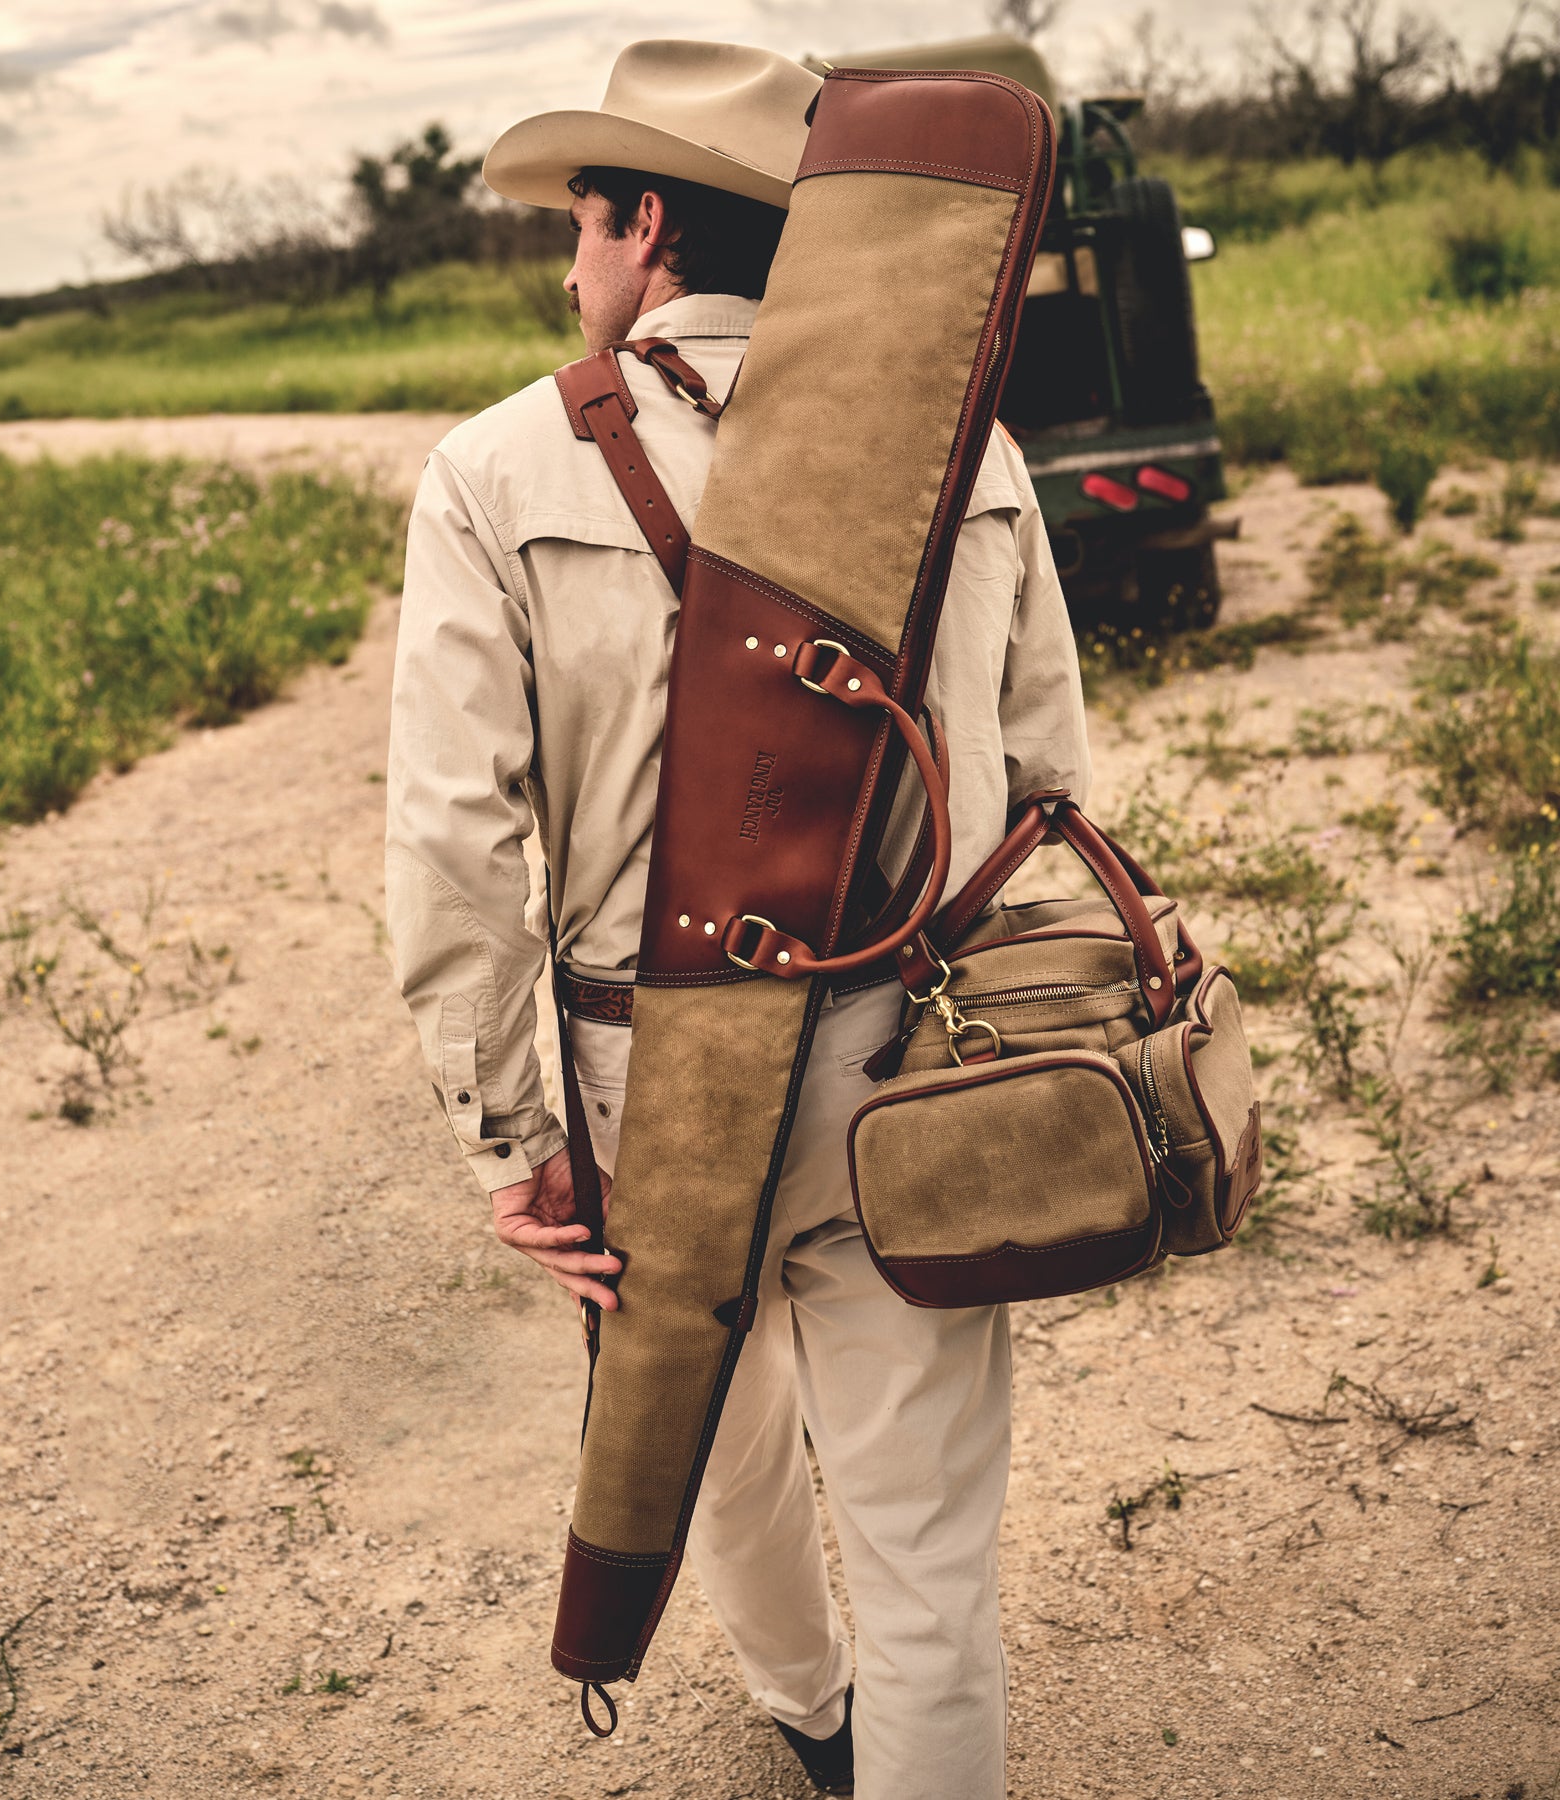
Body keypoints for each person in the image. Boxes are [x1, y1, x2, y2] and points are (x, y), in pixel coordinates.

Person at [384, 38, 1090, 1799]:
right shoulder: (964, 455)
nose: (569, 266)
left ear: (644, 225)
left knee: (704, 1434)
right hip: (908, 1063)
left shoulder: (497, 470)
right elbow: (1052, 786)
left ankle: (807, 1714)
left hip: (646, 1082)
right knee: (930, 1548)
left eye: (580, 221)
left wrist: (511, 1139)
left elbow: (460, 844)